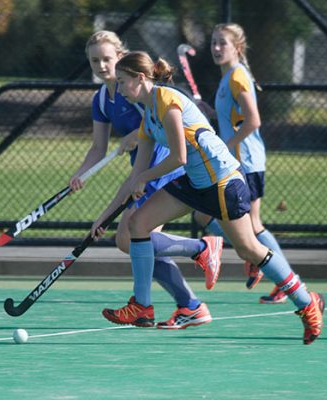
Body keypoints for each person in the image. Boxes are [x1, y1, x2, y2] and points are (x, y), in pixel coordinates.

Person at [92, 51, 325, 344]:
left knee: (249, 249)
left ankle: (306, 303)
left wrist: (144, 179)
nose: (120, 89)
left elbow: (178, 156)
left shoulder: (167, 101)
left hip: (224, 181)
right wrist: (102, 218)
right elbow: (134, 177)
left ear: (140, 79)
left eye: (124, 82)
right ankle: (142, 307)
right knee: (137, 225)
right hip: (194, 181)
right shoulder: (147, 120)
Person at [70, 31, 222, 330]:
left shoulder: (137, 90)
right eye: (95, 60)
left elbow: (161, 115)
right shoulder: (102, 98)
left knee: (132, 238)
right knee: (136, 242)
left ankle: (200, 252)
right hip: (142, 170)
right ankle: (190, 305)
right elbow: (98, 147)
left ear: (120, 57)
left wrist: (135, 135)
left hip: (163, 168)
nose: (102, 66)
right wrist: (80, 174)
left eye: (107, 59)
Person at [193, 23, 289, 304]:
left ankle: (280, 277)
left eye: (222, 43)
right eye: (213, 42)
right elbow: (230, 120)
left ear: (238, 47)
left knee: (254, 226)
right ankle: (253, 254)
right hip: (232, 162)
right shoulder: (227, 79)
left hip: (245, 161)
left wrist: (229, 143)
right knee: (203, 215)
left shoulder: (237, 77)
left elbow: (253, 120)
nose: (216, 48)